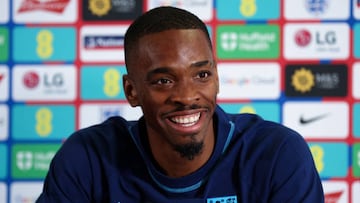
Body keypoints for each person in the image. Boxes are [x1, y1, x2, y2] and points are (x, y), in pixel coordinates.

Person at [36, 6, 324, 202]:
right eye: (163, 81)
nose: (187, 97)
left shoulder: (276, 154)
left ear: (217, 78)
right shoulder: (87, 158)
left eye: (201, 75)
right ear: (131, 91)